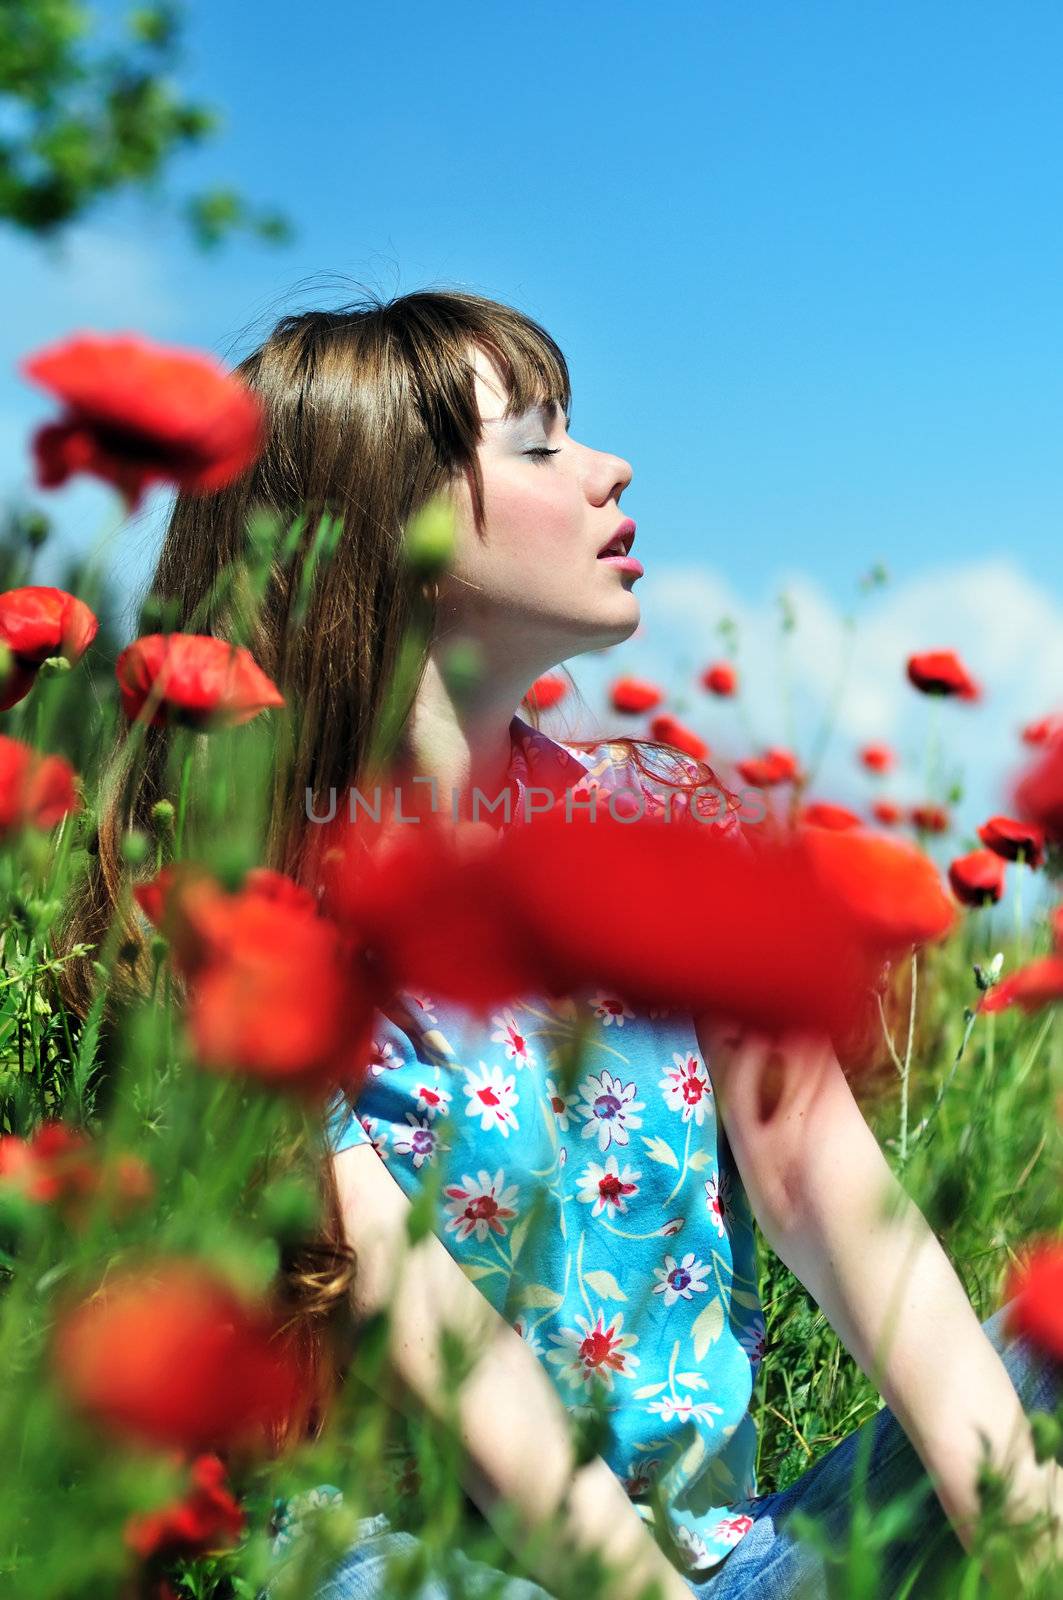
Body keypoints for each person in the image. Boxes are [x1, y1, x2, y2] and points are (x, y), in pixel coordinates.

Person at [56, 288, 1061, 1600]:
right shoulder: (259, 896)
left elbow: (825, 1186)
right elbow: (421, 1316)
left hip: (733, 1560)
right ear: (382, 526)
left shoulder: (661, 818)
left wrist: (1015, 1506)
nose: (611, 469)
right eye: (536, 446)